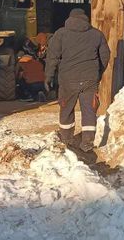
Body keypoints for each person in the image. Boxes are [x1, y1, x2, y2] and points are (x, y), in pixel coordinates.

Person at [45, 8, 110, 151]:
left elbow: (52, 58)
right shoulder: (97, 34)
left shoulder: (60, 34)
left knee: (67, 109)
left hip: (68, 79)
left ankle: (67, 139)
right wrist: (97, 73)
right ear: (85, 19)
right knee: (89, 110)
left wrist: (48, 76)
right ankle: (87, 142)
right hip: (89, 80)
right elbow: (105, 57)